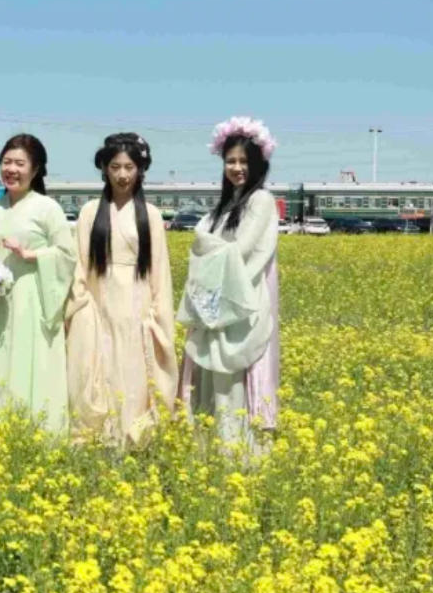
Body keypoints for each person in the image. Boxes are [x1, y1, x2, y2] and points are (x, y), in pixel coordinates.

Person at [177, 116, 281, 455]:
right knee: (213, 374)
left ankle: (237, 453)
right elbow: (208, 244)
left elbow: (241, 248)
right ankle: (213, 449)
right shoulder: (225, 205)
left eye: (243, 161)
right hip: (216, 299)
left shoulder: (260, 200)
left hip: (241, 301)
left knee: (234, 375)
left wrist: (205, 244)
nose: (237, 168)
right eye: (230, 161)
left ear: (258, 164)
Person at [65, 132, 176, 445]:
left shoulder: (150, 215)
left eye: (129, 167)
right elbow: (80, 265)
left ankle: (134, 436)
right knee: (100, 367)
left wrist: (158, 314)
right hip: (99, 304)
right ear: (104, 169)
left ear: (140, 170)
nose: (123, 175)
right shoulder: (90, 212)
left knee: (135, 369)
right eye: (115, 167)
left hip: (138, 307)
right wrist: (81, 307)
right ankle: (103, 434)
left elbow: (160, 271)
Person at [0, 134, 75, 434]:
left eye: (19, 163)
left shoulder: (47, 208)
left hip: (34, 297)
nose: (11, 169)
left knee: (33, 360)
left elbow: (67, 255)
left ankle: (39, 431)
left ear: (36, 169)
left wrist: (32, 255)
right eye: (6, 162)